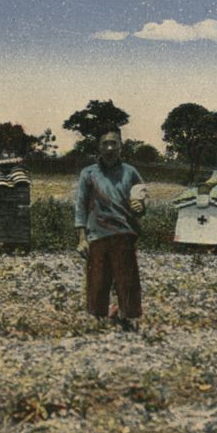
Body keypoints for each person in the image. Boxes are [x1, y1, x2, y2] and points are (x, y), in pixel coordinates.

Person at [74, 124, 146, 331]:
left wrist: (140, 207)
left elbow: (142, 203)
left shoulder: (130, 173)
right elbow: (80, 206)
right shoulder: (88, 174)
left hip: (124, 233)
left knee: (127, 279)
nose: (109, 148)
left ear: (121, 146)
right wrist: (82, 238)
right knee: (97, 280)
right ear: (98, 146)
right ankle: (97, 319)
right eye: (104, 143)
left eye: (113, 143)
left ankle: (129, 319)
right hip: (97, 234)